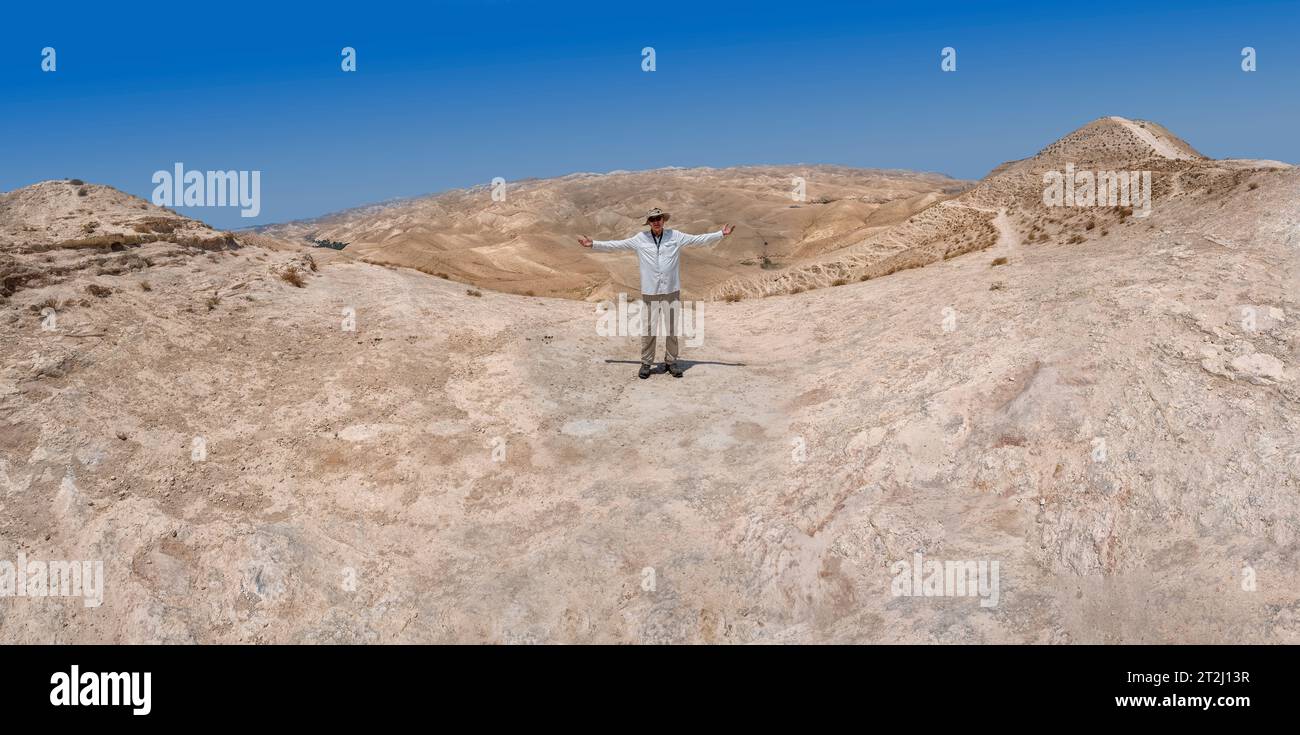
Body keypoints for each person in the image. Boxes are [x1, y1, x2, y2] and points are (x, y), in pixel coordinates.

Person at [578, 207, 734, 379]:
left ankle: (671, 362)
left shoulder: (675, 236)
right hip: (650, 291)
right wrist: (593, 244)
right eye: (653, 219)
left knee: (672, 328)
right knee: (649, 328)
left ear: (663, 220)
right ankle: (646, 363)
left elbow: (698, 240)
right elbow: (617, 244)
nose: (656, 221)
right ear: (649, 223)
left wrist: (721, 234)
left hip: (671, 290)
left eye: (659, 218)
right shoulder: (640, 239)